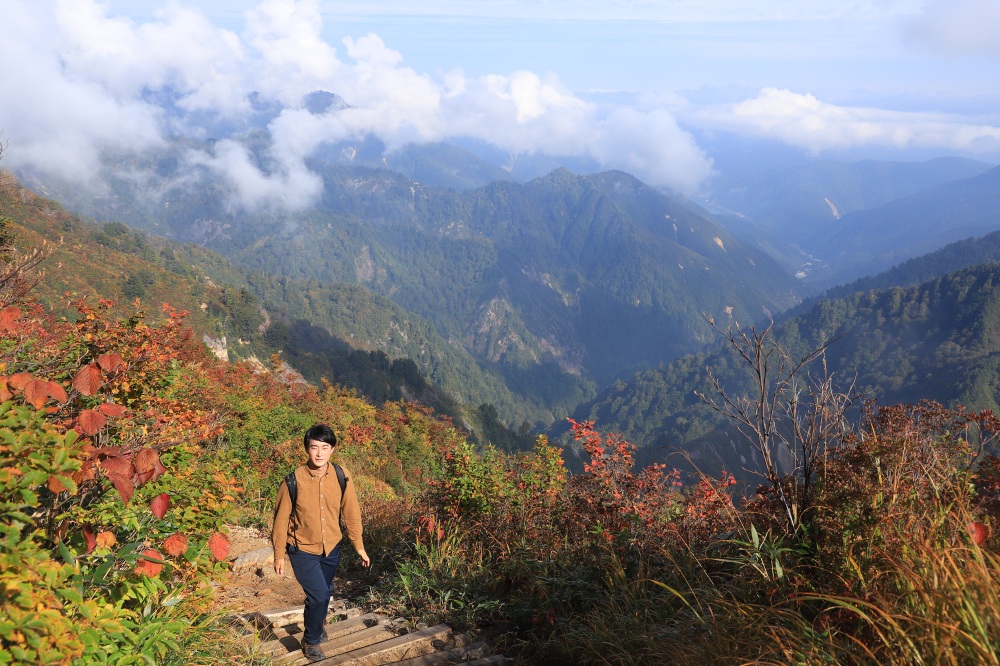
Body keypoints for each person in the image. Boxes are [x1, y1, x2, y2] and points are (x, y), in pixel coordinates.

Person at [272, 424, 371, 661]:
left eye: (324, 448)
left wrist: (359, 545)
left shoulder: (341, 475)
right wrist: (278, 553)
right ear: (307, 448)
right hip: (302, 548)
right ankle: (311, 641)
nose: (319, 453)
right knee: (317, 595)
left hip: (332, 547)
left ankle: (316, 624)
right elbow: (280, 518)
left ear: (332, 450)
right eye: (314, 447)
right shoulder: (292, 481)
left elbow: (352, 511)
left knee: (325, 592)